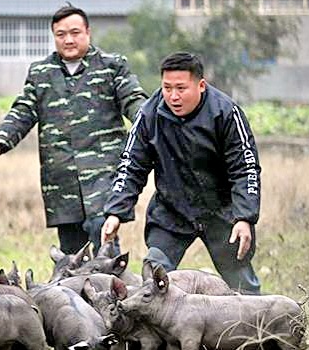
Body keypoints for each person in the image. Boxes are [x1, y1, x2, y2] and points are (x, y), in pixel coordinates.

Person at [0, 4, 146, 254]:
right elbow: (23, 110)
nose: (68, 40)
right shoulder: (41, 72)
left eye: (75, 32)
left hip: (103, 174)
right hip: (62, 179)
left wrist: (149, 126)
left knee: (103, 237)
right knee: (71, 256)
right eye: (61, 34)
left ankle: (113, 291)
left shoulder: (112, 66)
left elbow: (134, 101)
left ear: (88, 32)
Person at [102, 52, 262, 294]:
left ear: (200, 85)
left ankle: (257, 329)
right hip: (171, 212)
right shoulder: (149, 114)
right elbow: (131, 165)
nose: (173, 96)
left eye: (181, 88)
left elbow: (245, 168)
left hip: (221, 212)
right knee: (153, 273)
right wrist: (115, 211)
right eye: (167, 88)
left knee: (241, 281)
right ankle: (156, 329)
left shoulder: (226, 113)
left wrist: (244, 217)